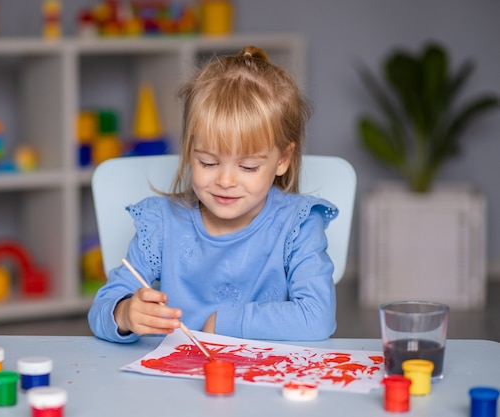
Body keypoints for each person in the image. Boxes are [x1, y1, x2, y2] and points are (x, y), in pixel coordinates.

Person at [88, 45, 338, 343]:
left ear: (282, 160)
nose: (226, 181)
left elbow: (317, 317)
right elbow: (101, 309)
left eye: (248, 166)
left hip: (263, 382)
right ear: (190, 152)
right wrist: (125, 313)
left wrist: (224, 323)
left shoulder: (299, 224)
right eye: (208, 162)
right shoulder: (161, 223)